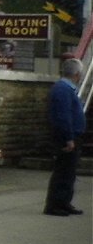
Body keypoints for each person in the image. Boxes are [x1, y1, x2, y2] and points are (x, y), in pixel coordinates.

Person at [44, 57, 86, 216]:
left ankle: (64, 202)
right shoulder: (63, 90)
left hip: (72, 135)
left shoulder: (66, 89)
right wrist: (69, 138)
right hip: (67, 137)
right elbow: (63, 116)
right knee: (63, 172)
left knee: (69, 172)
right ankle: (55, 204)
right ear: (77, 74)